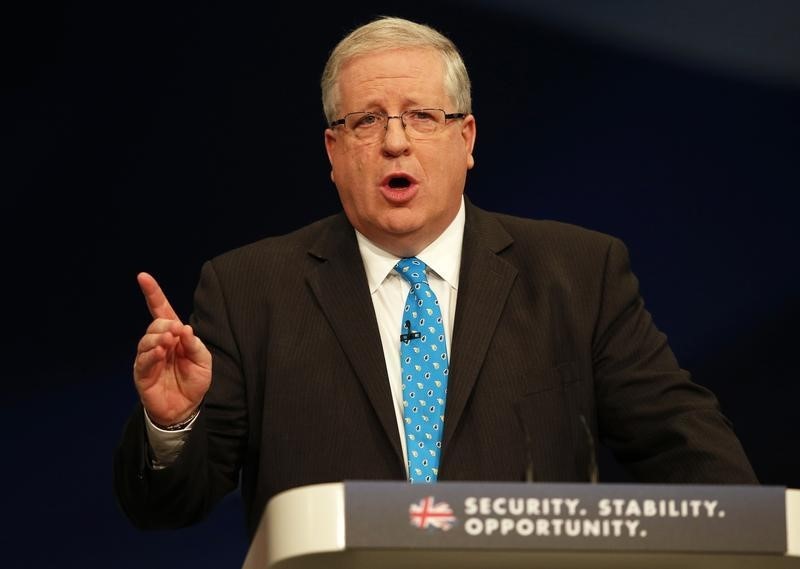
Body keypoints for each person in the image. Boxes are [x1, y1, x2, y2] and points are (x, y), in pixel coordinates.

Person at [113, 15, 758, 539]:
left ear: (467, 139)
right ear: (334, 153)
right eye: (366, 120)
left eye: (422, 116)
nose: (396, 142)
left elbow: (693, 457)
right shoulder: (249, 289)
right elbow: (168, 505)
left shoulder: (578, 274)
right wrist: (171, 427)